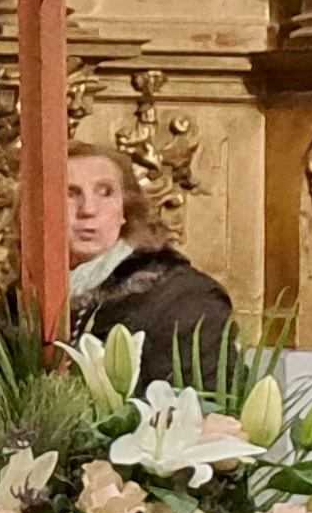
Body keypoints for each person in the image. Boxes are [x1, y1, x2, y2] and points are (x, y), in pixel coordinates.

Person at [62, 141, 239, 390]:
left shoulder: (184, 299)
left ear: (125, 209)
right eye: (70, 193)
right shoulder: (19, 304)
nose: (88, 210)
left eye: (105, 192)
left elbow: (208, 408)